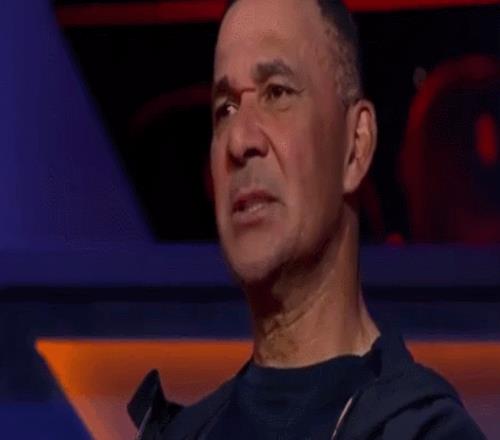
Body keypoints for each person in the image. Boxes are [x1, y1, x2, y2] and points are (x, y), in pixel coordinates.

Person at [128, 0, 486, 438]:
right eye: (225, 109)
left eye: (277, 93)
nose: (239, 140)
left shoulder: (422, 431)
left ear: (356, 146)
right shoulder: (184, 434)